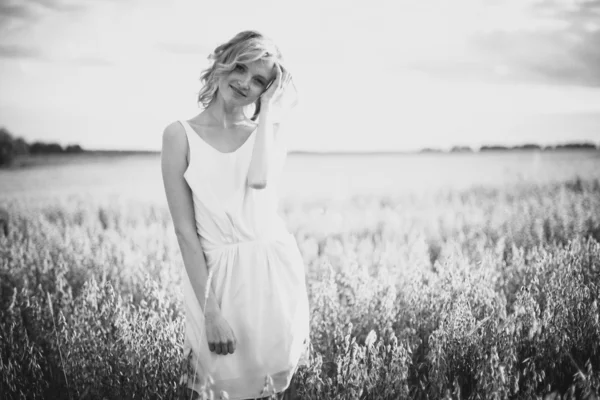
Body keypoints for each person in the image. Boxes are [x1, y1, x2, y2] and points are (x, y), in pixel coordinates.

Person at [161, 30, 309, 400]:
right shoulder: (179, 135)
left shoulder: (269, 131)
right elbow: (184, 232)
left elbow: (258, 180)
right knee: (203, 388)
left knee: (268, 391)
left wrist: (268, 110)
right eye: (240, 67)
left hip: (272, 274)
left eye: (259, 80)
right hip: (216, 280)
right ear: (222, 62)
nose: (245, 82)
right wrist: (211, 313)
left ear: (267, 90)